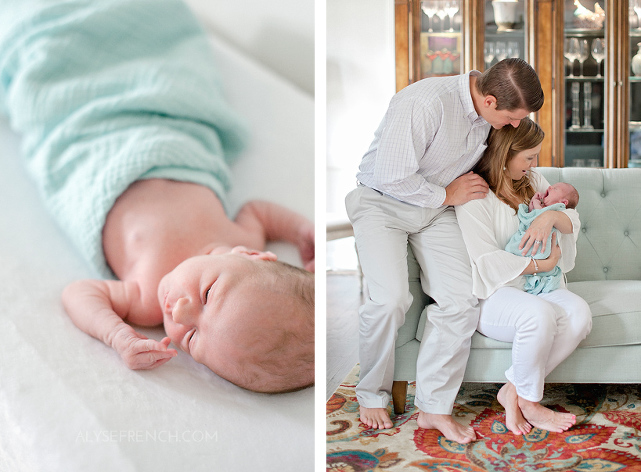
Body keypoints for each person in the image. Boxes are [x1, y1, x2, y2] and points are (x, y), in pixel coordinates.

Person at [0, 0, 314, 393]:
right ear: (253, 256)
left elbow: (80, 293)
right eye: (208, 293)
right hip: (160, 123)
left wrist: (117, 335)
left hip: (94, 142)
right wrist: (302, 228)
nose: (179, 311)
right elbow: (260, 212)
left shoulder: (147, 298)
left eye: (192, 339)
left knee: (45, 60)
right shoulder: (243, 238)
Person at [345, 58, 544, 443]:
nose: (516, 124)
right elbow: (390, 176)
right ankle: (370, 393)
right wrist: (445, 194)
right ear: (488, 100)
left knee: (461, 300)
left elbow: (507, 160)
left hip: (436, 212)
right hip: (382, 202)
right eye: (512, 117)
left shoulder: (490, 113)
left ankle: (434, 410)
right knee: (389, 301)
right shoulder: (424, 103)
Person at [455, 118, 592, 435]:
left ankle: (511, 391)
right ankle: (529, 401)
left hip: (540, 288)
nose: (534, 164)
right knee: (539, 314)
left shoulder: (533, 180)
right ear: (504, 154)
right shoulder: (475, 193)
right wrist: (539, 265)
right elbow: (485, 260)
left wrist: (552, 218)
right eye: (528, 157)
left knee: (579, 314)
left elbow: (572, 217)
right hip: (496, 294)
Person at [505, 182, 580, 294]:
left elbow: (539, 215)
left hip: (543, 249)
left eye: (555, 188)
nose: (549, 187)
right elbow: (533, 219)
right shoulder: (546, 207)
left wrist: (536, 205)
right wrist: (532, 206)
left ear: (563, 202)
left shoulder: (558, 209)